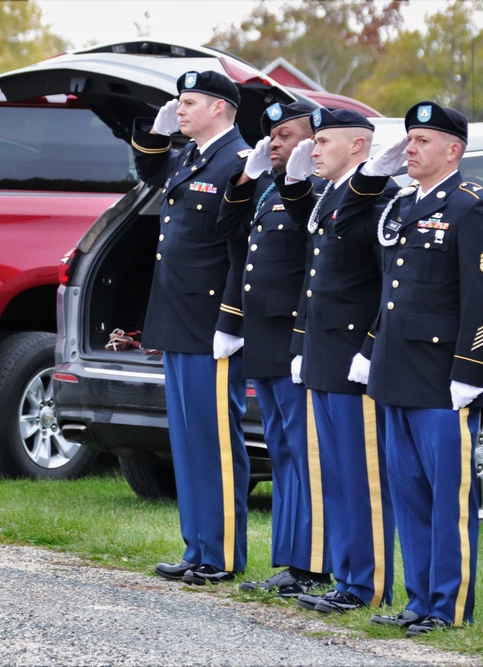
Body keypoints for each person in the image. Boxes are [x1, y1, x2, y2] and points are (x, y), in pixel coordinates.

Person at [334, 101, 483, 636]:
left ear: (453, 150)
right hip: (396, 370)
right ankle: (419, 600)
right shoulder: (405, 205)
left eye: (422, 141)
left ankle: (449, 606)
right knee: (408, 493)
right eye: (409, 139)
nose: (409, 149)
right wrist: (371, 174)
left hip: (440, 378)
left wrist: (470, 370)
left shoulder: (471, 206)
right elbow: (354, 237)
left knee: (446, 500)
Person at [132, 70, 252, 585]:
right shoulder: (193, 157)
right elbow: (153, 175)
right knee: (186, 439)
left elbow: (242, 250)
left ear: (220, 108)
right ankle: (196, 545)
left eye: (189, 102)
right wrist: (155, 137)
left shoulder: (240, 163)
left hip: (210, 323)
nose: (179, 110)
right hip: (179, 319)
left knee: (214, 438)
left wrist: (231, 317)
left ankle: (222, 553)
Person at [276, 107, 397, 614]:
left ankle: (367, 583)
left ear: (358, 146)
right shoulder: (332, 196)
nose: (314, 148)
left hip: (353, 356)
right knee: (336, 473)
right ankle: (347, 575)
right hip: (324, 351)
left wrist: (369, 347)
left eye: (324, 140)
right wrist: (302, 344)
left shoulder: (378, 198)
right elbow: (315, 278)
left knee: (362, 472)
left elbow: (385, 285)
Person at [216, 101, 333, 597]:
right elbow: (229, 234)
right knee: (283, 451)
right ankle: (290, 559)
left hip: (295, 339)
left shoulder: (322, 192)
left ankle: (313, 563)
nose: (277, 144)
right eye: (273, 137)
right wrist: (246, 180)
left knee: (307, 454)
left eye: (287, 135)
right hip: (265, 338)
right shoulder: (268, 191)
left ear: (314, 139)